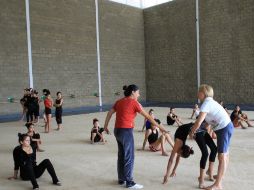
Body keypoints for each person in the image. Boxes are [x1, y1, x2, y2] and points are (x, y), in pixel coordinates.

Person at [104, 84, 168, 189]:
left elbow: (110, 113)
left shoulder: (119, 101)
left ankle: (121, 179)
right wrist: (160, 127)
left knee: (121, 155)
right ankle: (129, 182)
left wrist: (105, 126)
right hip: (126, 131)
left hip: (117, 131)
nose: (139, 94)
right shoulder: (134, 103)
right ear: (133, 92)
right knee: (129, 156)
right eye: (138, 92)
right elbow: (148, 117)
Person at [190, 84, 234, 190]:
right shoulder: (210, 102)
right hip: (225, 127)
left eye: (198, 92)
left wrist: (192, 131)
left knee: (222, 156)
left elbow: (199, 121)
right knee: (225, 154)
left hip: (223, 128)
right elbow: (207, 121)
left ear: (203, 94)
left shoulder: (206, 103)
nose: (197, 94)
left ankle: (218, 184)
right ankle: (220, 176)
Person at [195, 121, 217, 188]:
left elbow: (208, 126)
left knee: (214, 149)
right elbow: (200, 123)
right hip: (197, 131)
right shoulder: (204, 111)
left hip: (204, 131)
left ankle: (210, 171)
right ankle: (201, 180)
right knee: (205, 153)